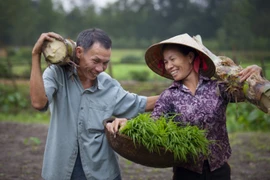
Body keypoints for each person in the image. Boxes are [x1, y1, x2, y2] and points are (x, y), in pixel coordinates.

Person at [107, 33, 263, 180]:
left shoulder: (218, 88)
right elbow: (153, 125)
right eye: (166, 62)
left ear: (189, 57)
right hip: (186, 172)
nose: (169, 66)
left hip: (219, 170)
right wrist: (128, 123)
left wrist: (257, 75)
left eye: (172, 59)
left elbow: (253, 95)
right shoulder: (169, 96)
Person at [30, 28, 158, 180]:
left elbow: (140, 103)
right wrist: (36, 55)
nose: (100, 68)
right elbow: (38, 102)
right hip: (61, 170)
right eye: (96, 61)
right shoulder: (57, 74)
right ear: (79, 52)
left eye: (105, 63)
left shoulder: (108, 85)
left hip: (102, 172)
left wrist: (175, 95)